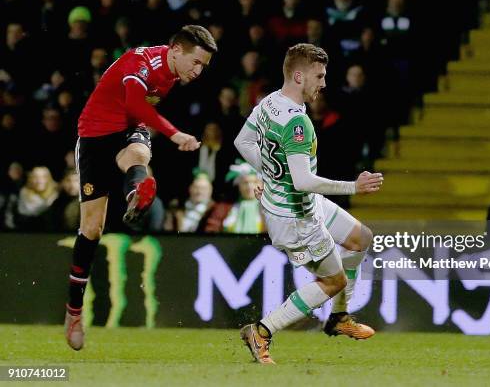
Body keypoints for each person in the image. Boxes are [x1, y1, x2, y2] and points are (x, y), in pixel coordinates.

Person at [64, 25, 217, 351]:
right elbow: (135, 102)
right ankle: (73, 312)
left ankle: (136, 191)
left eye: (204, 66)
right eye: (196, 62)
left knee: (139, 153)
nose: (198, 71)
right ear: (176, 49)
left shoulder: (176, 73)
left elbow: (136, 116)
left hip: (129, 131)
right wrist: (175, 134)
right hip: (93, 137)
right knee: (92, 229)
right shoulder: (142, 64)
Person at [234, 43, 383, 364]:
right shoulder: (297, 124)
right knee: (334, 281)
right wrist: (353, 187)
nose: (324, 83)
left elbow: (242, 141)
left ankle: (339, 318)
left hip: (301, 203)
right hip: (295, 216)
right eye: (319, 75)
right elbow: (302, 181)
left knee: (361, 238)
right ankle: (262, 330)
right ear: (299, 76)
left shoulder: (269, 103)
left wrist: (271, 174)